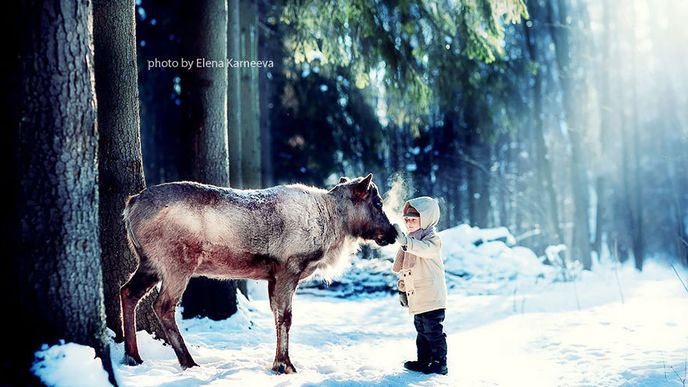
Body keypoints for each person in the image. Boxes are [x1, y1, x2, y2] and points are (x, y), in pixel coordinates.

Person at [392, 196, 448, 375]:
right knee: (421, 331)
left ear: (426, 218)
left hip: (432, 297)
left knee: (433, 331)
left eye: (413, 220)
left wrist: (405, 242)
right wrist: (402, 290)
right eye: (406, 220)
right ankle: (424, 361)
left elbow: (423, 249)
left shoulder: (432, 240)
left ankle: (440, 363)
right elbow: (405, 270)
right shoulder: (409, 242)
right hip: (418, 297)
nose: (408, 223)